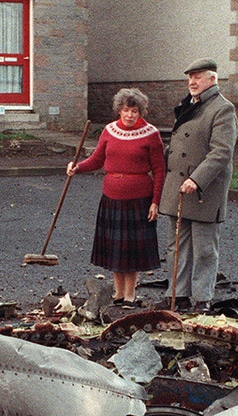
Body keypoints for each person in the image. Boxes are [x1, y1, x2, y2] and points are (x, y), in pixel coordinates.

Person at [67, 88, 166, 307]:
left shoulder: (151, 134)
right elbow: (96, 159)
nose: (130, 115)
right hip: (111, 197)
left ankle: (130, 295)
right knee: (116, 248)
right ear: (119, 111)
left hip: (139, 199)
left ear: (141, 112)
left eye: (135, 111)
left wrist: (155, 201)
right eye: (126, 110)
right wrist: (77, 167)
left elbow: (159, 170)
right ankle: (118, 293)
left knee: (132, 250)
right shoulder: (109, 131)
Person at [157, 57, 237, 313]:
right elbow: (178, 146)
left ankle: (202, 300)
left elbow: (221, 152)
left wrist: (197, 179)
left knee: (203, 249)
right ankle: (177, 295)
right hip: (178, 188)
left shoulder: (223, 109)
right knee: (177, 246)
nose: (192, 81)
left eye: (198, 77)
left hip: (203, 190)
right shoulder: (188, 105)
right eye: (190, 77)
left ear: (212, 80)